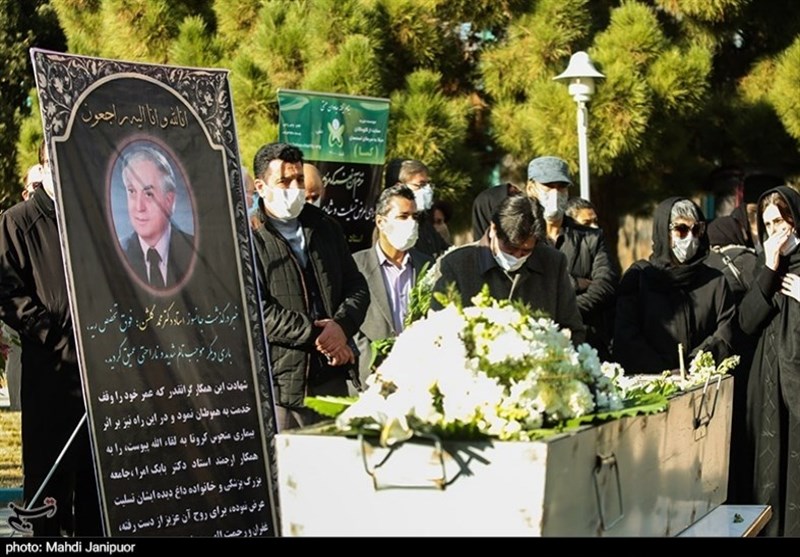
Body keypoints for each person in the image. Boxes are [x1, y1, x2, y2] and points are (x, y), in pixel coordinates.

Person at [0, 142, 102, 536]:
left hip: (100, 375)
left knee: (95, 490)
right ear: (44, 168)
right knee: (49, 488)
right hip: (52, 376)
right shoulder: (17, 222)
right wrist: (58, 340)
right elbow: (9, 295)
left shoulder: (93, 219)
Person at [250, 142, 369, 430]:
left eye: (299, 180)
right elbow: (256, 310)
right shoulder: (249, 237)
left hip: (332, 378)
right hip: (283, 387)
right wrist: (319, 335)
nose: (295, 188)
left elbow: (356, 286)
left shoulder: (326, 227)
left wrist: (341, 327)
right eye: (284, 181)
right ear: (261, 187)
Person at [431, 194, 585, 344]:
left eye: (525, 251)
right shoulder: (455, 265)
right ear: (493, 228)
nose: (517, 256)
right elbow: (439, 334)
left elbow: (572, 329)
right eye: (510, 249)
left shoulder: (552, 262)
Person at [613, 197, 736, 374]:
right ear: (664, 232)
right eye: (681, 229)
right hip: (651, 382)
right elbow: (626, 335)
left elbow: (725, 331)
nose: (690, 237)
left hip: (701, 381)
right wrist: (666, 373)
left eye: (697, 229)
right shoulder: (640, 278)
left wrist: (696, 364)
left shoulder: (715, 281)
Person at [738, 186, 800, 536]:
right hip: (769, 387)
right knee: (770, 473)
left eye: (780, 220)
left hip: (798, 385)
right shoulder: (764, 265)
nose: (776, 230)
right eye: (768, 224)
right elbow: (747, 321)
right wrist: (769, 267)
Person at [352, 185, 433, 390]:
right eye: (403, 217)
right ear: (381, 222)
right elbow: (347, 325)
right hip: (370, 381)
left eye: (415, 217)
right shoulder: (355, 266)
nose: (411, 223)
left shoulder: (429, 266)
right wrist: (373, 365)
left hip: (418, 382)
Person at [119, 146, 195, 289]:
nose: (139, 207)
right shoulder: (116, 255)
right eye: (132, 192)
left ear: (169, 200)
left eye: (148, 194)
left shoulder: (195, 251)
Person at [389, 159, 451, 259]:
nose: (427, 190)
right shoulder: (390, 225)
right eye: (420, 185)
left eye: (427, 185)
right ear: (400, 186)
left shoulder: (425, 223)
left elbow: (445, 250)